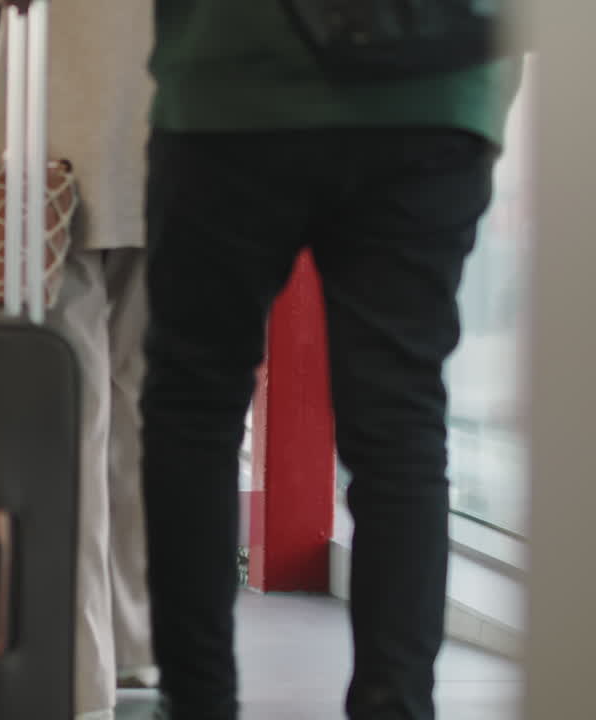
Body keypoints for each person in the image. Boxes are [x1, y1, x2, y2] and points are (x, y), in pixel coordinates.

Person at [138, 3, 521, 719]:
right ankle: (396, 705)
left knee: (195, 405)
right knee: (400, 418)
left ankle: (196, 702)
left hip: (235, 78)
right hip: (436, 85)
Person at [0, 1, 158, 718]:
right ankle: (140, 640)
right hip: (174, 132)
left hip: (45, 135)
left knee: (66, 417)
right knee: (146, 407)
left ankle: (78, 670)